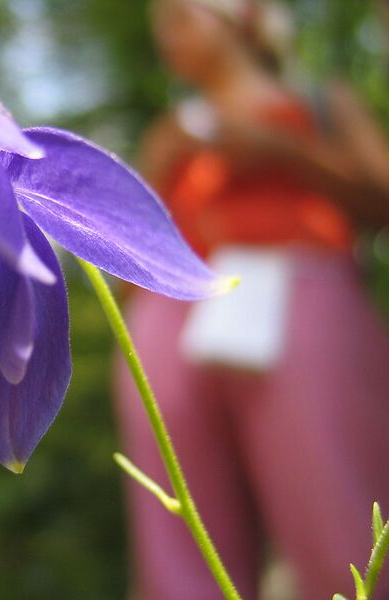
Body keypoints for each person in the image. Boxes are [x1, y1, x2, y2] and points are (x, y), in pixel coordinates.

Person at [115, 1, 389, 598]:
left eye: (183, 15)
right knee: (177, 537)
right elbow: (121, 264)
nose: (167, 33)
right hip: (166, 312)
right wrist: (153, 171)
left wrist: (283, 149)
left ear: (241, 18)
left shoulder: (320, 101)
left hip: (303, 290)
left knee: (337, 505)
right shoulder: (172, 130)